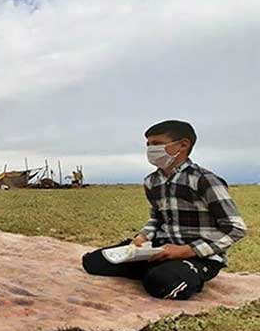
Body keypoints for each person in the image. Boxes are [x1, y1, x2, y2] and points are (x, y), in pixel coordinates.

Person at [82, 120, 247, 300]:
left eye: (157, 144)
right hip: (159, 250)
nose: (151, 150)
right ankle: (155, 269)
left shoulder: (204, 180)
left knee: (162, 283)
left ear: (183, 145)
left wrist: (185, 250)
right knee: (93, 261)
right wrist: (143, 237)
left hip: (198, 255)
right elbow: (157, 219)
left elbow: (235, 228)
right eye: (148, 145)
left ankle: (182, 273)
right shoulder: (151, 181)